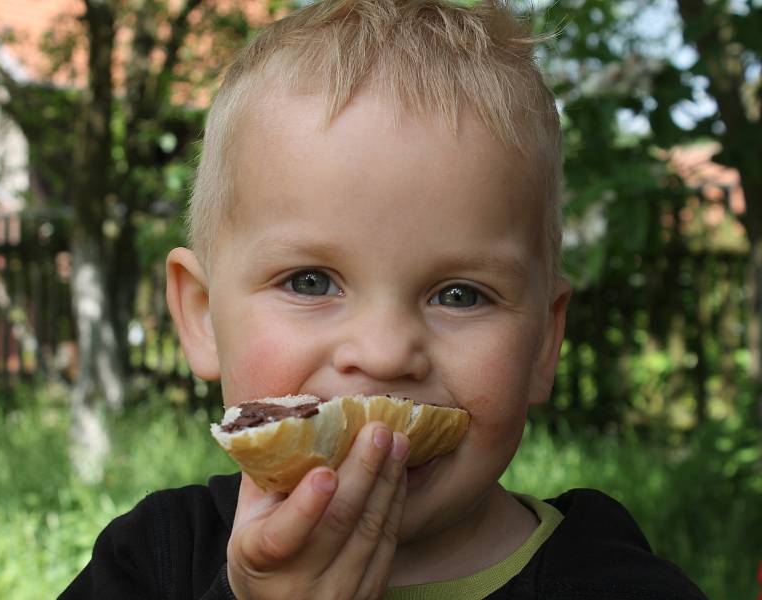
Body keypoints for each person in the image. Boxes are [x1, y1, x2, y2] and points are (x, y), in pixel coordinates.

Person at [61, 0, 707, 598]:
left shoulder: (614, 584)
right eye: (311, 282)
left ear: (543, 340)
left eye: (459, 295)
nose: (386, 352)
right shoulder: (155, 562)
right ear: (202, 316)